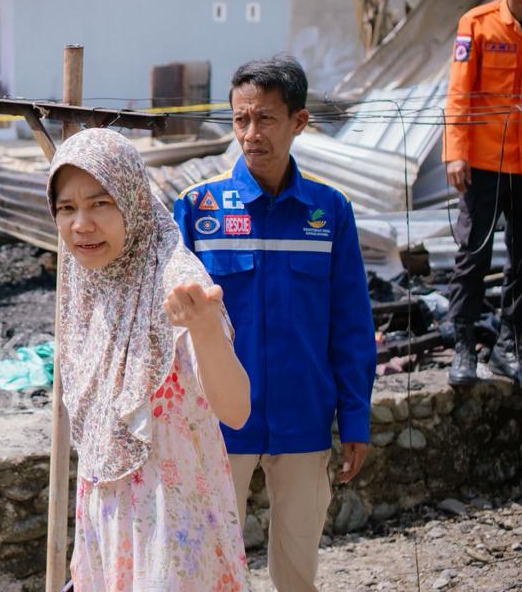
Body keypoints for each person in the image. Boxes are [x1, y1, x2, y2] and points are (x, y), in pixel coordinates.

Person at [174, 56, 375, 592]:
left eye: (265, 118)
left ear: (299, 121)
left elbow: (351, 324)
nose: (251, 134)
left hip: (304, 419)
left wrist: (355, 419)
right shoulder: (196, 209)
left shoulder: (330, 212)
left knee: (298, 569)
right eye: (240, 119)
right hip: (218, 426)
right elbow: (168, 328)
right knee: (212, 572)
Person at [49, 128, 251, 591]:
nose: (81, 224)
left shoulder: (175, 279)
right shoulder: (84, 280)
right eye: (66, 208)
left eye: (100, 203)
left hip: (173, 529)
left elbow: (237, 411)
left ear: (134, 201)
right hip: (108, 522)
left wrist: (204, 329)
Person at [443, 0, 522, 388]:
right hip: (483, 163)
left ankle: (510, 347)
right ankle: (463, 346)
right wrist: (455, 154)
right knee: (474, 255)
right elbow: (459, 94)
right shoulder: (477, 24)